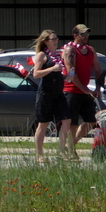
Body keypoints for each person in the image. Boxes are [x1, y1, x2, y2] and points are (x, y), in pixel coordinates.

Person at [63, 24, 102, 161]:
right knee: (72, 124)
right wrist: (86, 90)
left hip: (85, 92)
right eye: (83, 34)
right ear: (75, 36)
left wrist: (97, 88)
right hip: (71, 91)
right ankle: (71, 152)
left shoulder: (90, 50)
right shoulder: (70, 50)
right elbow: (71, 73)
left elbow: (97, 70)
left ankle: (71, 145)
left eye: (87, 34)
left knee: (91, 121)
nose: (86, 37)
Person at [31, 30, 72, 163]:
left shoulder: (58, 56)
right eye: (53, 39)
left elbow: (58, 72)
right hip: (45, 94)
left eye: (56, 38)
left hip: (58, 93)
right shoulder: (42, 56)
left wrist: (66, 76)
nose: (56, 41)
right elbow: (36, 74)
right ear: (46, 41)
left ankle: (61, 151)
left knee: (67, 120)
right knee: (43, 124)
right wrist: (51, 69)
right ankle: (39, 154)